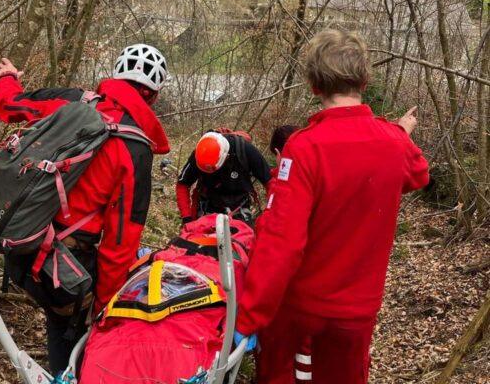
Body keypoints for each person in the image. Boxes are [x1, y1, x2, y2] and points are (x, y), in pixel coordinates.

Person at [234, 29, 429, 384]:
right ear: (365, 80)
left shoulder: (305, 147)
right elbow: (418, 173)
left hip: (300, 319)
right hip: (357, 319)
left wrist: (249, 317)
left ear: (314, 86)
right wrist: (400, 132)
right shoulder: (391, 142)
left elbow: (281, 242)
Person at [0, 44, 170, 374]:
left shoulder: (73, 102)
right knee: (72, 332)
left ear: (115, 75)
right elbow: (121, 241)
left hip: (20, 246)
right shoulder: (136, 149)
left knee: (58, 317)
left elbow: (9, 104)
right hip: (64, 272)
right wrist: (103, 308)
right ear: (154, 97)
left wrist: (7, 77)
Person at [176, 131, 271, 225]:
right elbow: (183, 184)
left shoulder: (246, 150)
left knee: (244, 237)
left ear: (226, 157)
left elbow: (270, 182)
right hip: (209, 205)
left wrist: (271, 213)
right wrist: (187, 218)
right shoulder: (200, 153)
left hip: (240, 206)